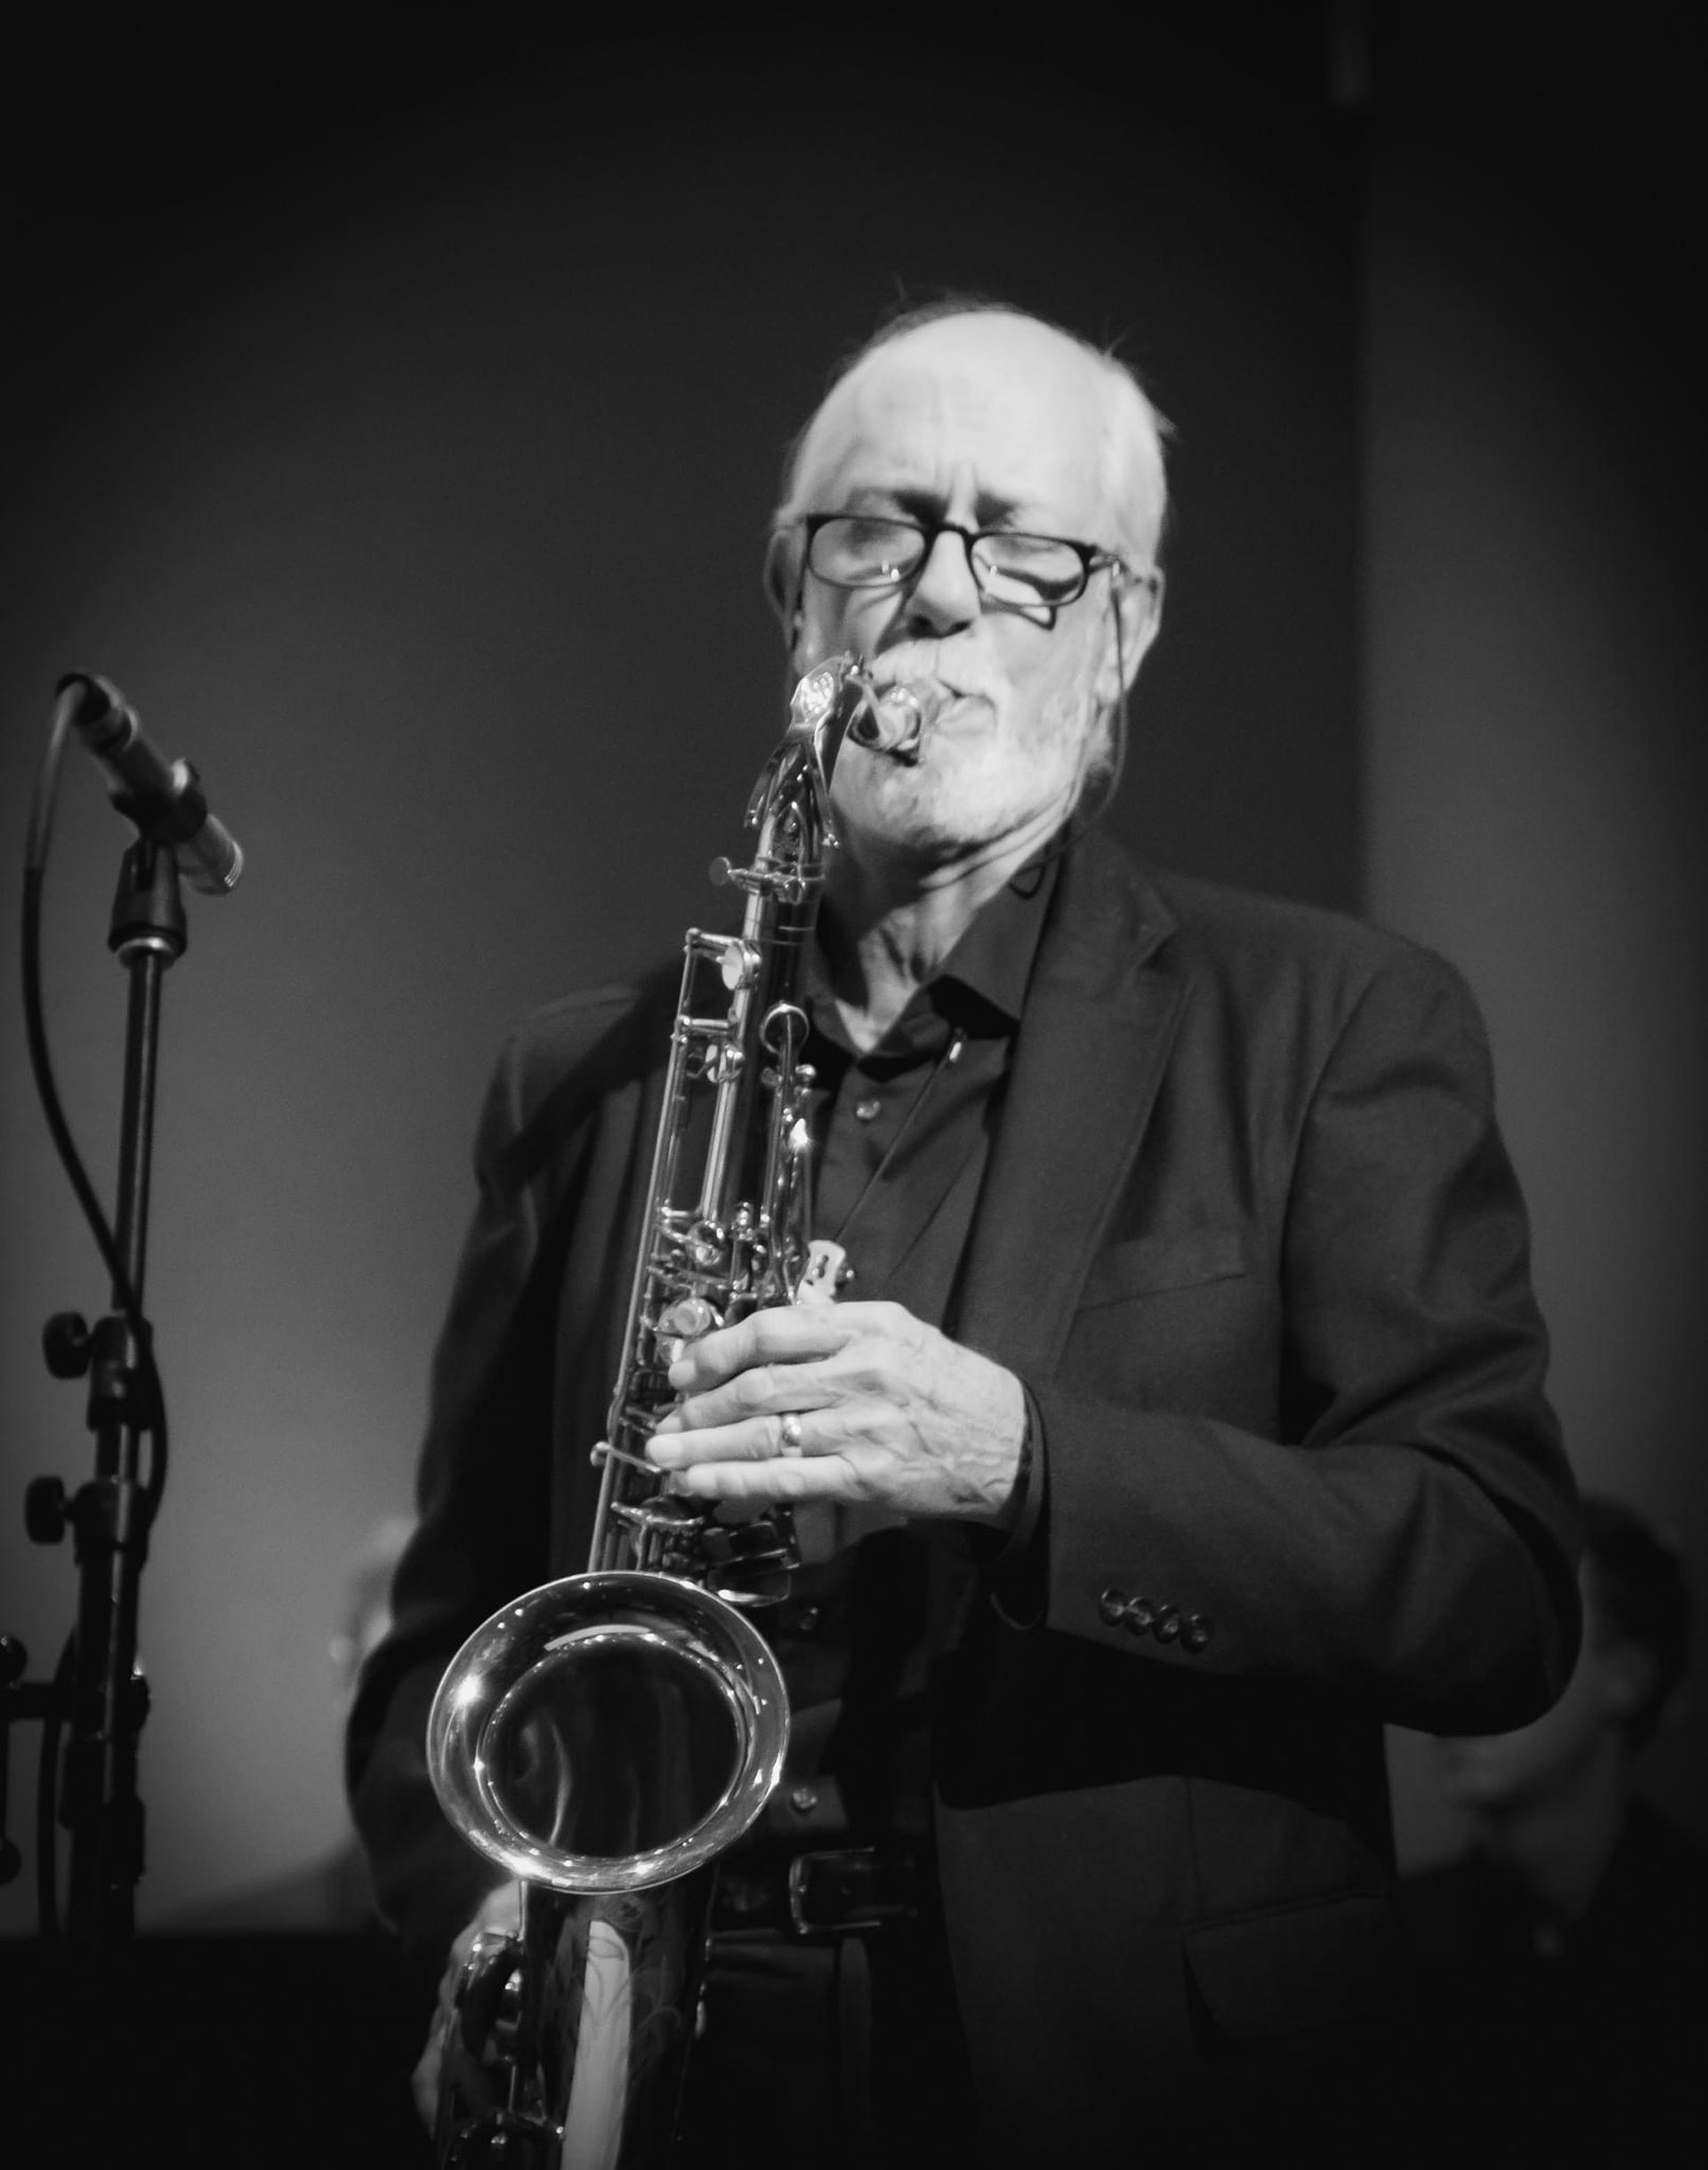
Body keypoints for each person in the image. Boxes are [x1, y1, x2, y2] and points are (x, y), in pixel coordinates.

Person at [346, 299, 1583, 2164]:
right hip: (675, 2076)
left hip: (1139, 2082)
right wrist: (492, 1894)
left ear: (1123, 628)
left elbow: (1495, 1584)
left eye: (1025, 551)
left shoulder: (1333, 1021)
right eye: (882, 529)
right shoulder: (581, 1079)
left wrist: (1021, 1459)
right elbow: (448, 1634)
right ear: (795, 595)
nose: (937, 595)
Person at [1403, 1493, 1704, 2163]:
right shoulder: (1392, 1951)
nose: (1460, 1682)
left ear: (1628, 1676)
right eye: (1450, 1638)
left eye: (1518, 1633)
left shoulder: (1685, 1944)